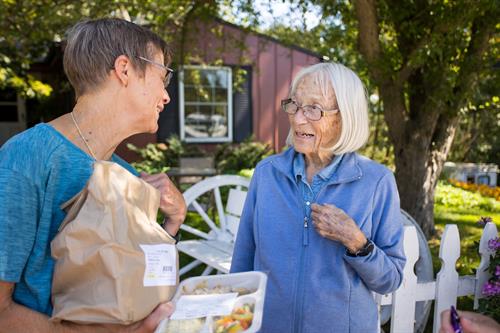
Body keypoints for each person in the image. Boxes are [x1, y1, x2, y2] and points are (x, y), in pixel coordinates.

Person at [0, 18, 186, 332]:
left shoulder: (125, 175)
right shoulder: (26, 159)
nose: (166, 96)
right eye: (162, 76)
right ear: (125, 69)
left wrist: (173, 223)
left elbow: (142, 283)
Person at [230, 62, 406, 332]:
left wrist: (356, 242)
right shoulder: (267, 174)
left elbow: (390, 280)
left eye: (314, 109)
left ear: (345, 116)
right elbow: (243, 259)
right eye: (295, 105)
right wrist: (237, 321)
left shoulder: (377, 182)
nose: (298, 119)